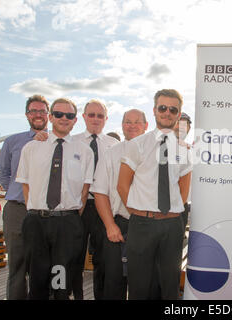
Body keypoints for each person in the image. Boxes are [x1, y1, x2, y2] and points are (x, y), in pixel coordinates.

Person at [117, 89, 192, 300]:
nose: (167, 112)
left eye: (173, 109)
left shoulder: (184, 150)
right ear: (154, 110)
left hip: (172, 226)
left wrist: (173, 213)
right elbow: (122, 185)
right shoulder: (136, 145)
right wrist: (138, 212)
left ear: (178, 114)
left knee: (169, 287)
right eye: (163, 108)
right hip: (142, 224)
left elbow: (184, 188)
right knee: (139, 287)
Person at [16, 98, 94, 299]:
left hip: (67, 223)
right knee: (37, 278)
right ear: (50, 117)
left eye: (69, 115)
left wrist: (70, 217)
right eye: (58, 114)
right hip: (36, 222)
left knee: (61, 279)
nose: (63, 118)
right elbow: (26, 185)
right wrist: (36, 213)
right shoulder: (31, 148)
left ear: (75, 120)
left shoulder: (84, 152)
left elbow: (84, 192)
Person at [91, 109, 148, 299]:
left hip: (149, 226)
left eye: (137, 122)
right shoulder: (111, 154)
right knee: (114, 284)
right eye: (127, 122)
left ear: (146, 125)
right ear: (122, 125)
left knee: (144, 285)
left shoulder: (158, 153)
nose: (132, 126)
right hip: (119, 225)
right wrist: (110, 225)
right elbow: (99, 192)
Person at [0, 94, 49, 299]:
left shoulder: (58, 140)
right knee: (17, 266)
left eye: (42, 111)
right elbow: (3, 173)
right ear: (27, 114)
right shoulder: (12, 142)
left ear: (48, 114)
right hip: (17, 210)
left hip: (47, 212)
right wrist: (18, 192)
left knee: (47, 265)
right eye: (33, 111)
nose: (38, 114)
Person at [72, 99, 119, 300]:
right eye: (91, 115)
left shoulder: (114, 145)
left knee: (103, 260)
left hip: (104, 206)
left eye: (100, 115)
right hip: (78, 207)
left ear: (106, 119)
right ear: (83, 117)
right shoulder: (71, 142)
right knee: (74, 257)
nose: (95, 119)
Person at [173, 112, 192, 230]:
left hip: (183, 208)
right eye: (178, 124)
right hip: (167, 209)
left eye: (185, 125)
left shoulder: (191, 150)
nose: (181, 128)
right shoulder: (161, 148)